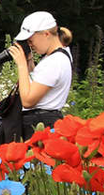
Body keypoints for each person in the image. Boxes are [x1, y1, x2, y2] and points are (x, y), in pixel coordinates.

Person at [6, 11, 73, 140]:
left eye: (30, 40)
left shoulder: (55, 62)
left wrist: (21, 65)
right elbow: (39, 81)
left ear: (46, 34)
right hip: (43, 121)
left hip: (40, 123)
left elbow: (28, 101)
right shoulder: (56, 56)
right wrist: (29, 61)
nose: (30, 44)